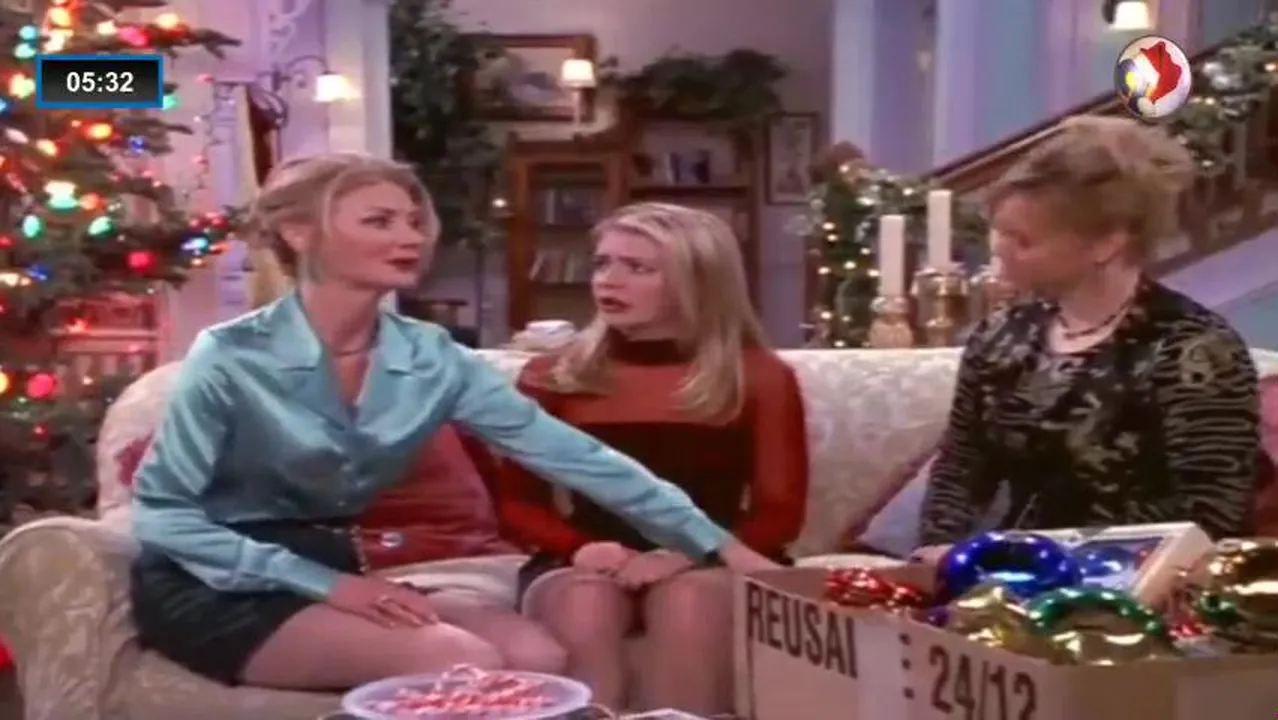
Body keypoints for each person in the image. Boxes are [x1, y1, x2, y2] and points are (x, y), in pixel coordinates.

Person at [128, 154, 777, 692]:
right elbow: (162, 516)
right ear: (299, 233)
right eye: (380, 221)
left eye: (414, 221)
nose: (411, 237)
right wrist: (330, 587)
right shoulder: (232, 356)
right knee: (461, 660)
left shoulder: (431, 357)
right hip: (216, 581)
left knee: (544, 660)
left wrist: (717, 544)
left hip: (338, 570)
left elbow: (579, 459)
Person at [495, 202, 809, 714]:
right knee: (585, 602)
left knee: (687, 601)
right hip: (587, 556)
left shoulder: (760, 376)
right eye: (603, 263)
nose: (609, 281)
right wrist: (581, 548)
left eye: (638, 268)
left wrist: (690, 553)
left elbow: (780, 512)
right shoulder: (553, 375)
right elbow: (517, 503)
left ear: (698, 281)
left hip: (714, 556)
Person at [917, 116, 1260, 548]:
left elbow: (1211, 514)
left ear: (1108, 243)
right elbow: (960, 470)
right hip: (1007, 571)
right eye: (999, 232)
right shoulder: (1001, 335)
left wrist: (1057, 560)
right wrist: (938, 553)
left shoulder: (1195, 349)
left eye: (1022, 240)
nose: (1000, 250)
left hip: (1136, 578)